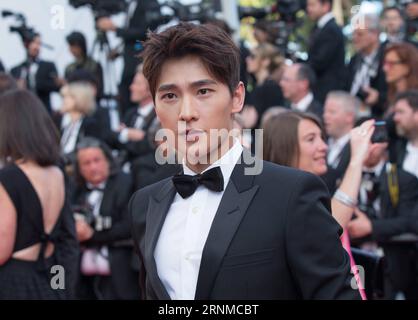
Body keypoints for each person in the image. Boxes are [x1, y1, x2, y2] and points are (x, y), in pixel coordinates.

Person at [129, 22, 360, 300]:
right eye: (170, 96)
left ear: (237, 98)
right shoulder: (144, 205)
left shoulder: (291, 194)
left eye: (203, 91)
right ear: (155, 107)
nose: (186, 113)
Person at [263, 111, 377, 299]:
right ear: (285, 147)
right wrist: (356, 160)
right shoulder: (275, 201)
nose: (323, 146)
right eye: (311, 139)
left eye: (322, 138)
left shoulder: (315, 188)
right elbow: (332, 226)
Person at [0, 89, 79, 299]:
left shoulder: (7, 178)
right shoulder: (56, 173)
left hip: (13, 282)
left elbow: (2, 247)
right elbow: (65, 236)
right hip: (49, 277)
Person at [72, 137, 139, 300]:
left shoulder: (126, 183)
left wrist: (92, 235)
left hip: (120, 267)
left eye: (97, 160)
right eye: (86, 163)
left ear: (108, 160)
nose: (93, 167)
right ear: (79, 169)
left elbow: (129, 226)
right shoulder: (74, 189)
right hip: (82, 274)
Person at [96, 0, 161, 116]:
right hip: (129, 61)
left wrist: (115, 29)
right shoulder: (131, 4)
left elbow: (147, 33)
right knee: (125, 95)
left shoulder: (149, 3)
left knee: (133, 95)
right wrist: (120, 50)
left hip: (138, 64)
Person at [346, 13, 387, 118]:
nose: (354, 38)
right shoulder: (354, 59)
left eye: (359, 34)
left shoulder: (388, 57)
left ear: (375, 34)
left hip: (377, 116)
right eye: (353, 34)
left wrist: (379, 98)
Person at [10, 33, 62, 113]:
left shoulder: (48, 66)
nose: (36, 47)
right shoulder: (16, 70)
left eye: (39, 44)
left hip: (44, 113)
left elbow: (57, 87)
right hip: (22, 113)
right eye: (33, 43)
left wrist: (34, 82)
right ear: (26, 44)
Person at [306, 0, 345, 103]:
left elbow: (319, 62)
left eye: (312, 5)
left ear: (326, 6)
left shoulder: (331, 29)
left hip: (325, 92)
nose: (308, 9)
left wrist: (301, 68)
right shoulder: (320, 28)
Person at [322, 91, 360, 194]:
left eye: (332, 112)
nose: (325, 116)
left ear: (349, 117)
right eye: (325, 111)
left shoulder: (359, 148)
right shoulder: (320, 142)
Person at [65, 31, 104, 99]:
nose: (72, 49)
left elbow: (99, 90)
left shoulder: (94, 65)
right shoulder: (69, 68)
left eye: (75, 46)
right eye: (71, 46)